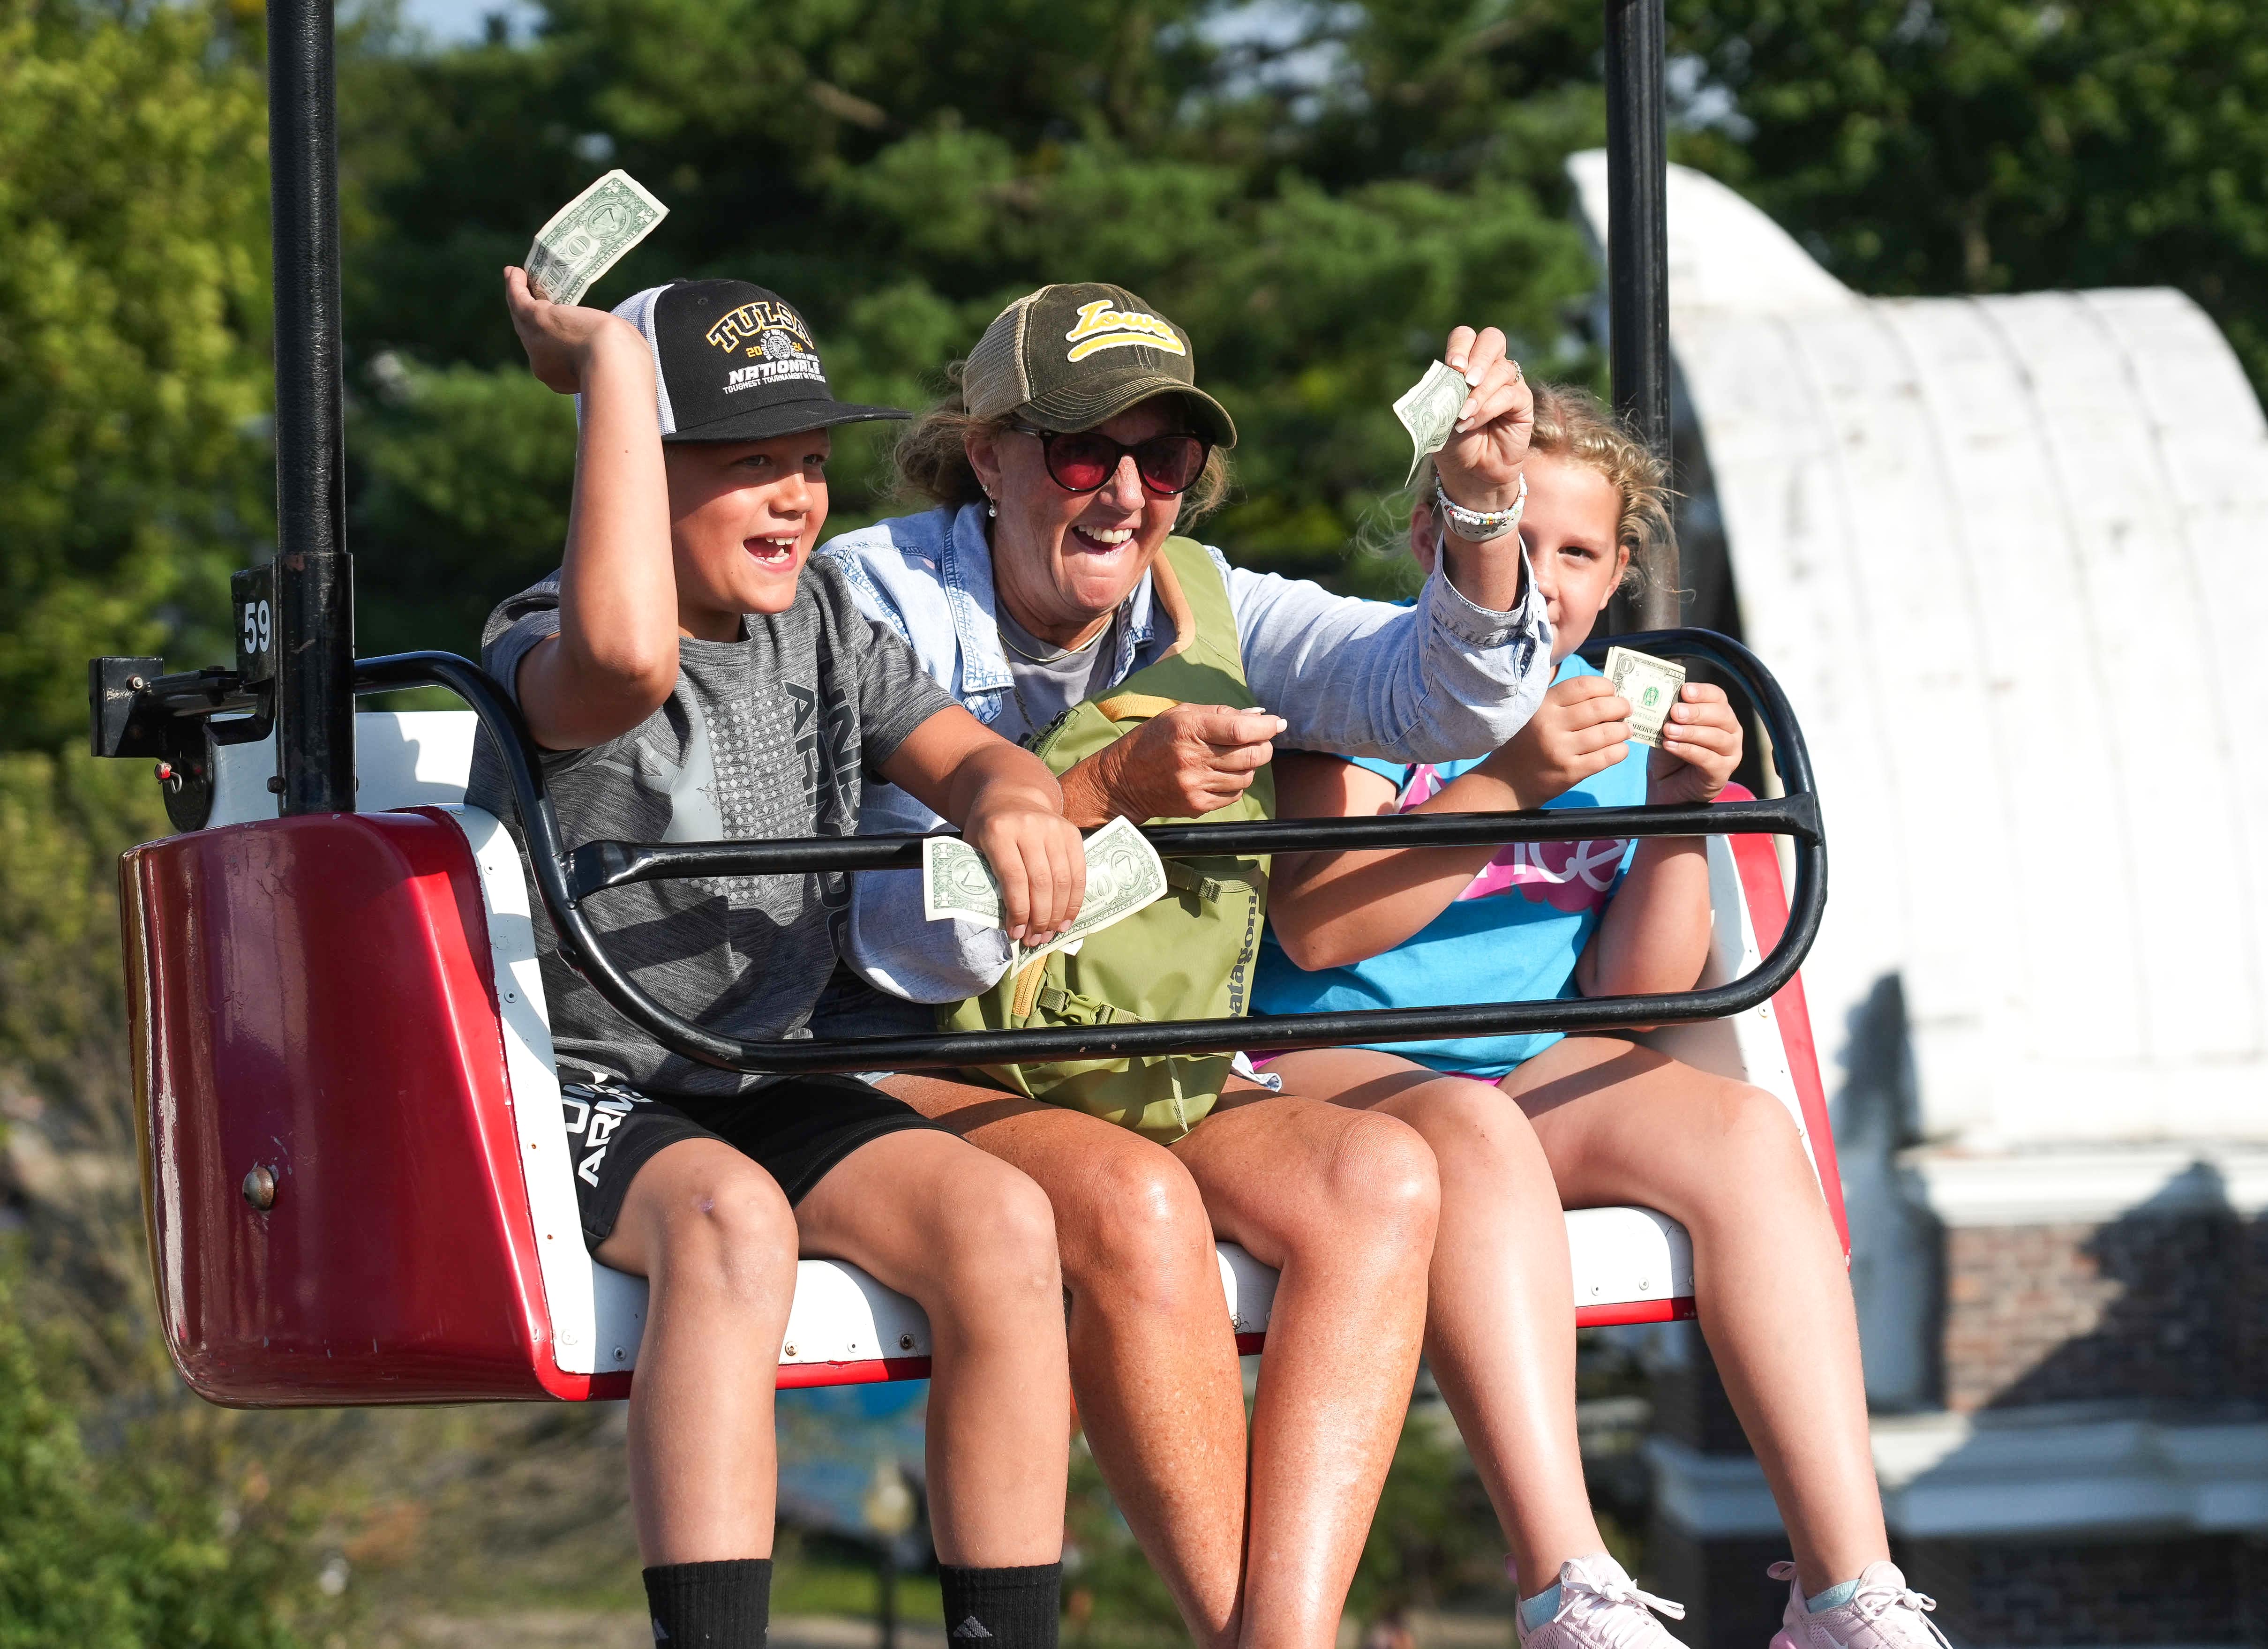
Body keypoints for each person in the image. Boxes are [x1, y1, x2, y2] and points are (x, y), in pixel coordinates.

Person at [812, 283, 1555, 1649]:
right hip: (907, 1072)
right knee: (1142, 1205)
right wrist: (1102, 788)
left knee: (1385, 1173)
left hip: (1147, 1072)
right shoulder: (869, 602)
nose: (1127, 495)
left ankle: (1283, 1636)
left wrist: (1486, 512)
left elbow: (1441, 699)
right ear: (988, 454)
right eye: (1088, 451)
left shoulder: (1211, 600)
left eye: (1168, 460)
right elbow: (898, 944)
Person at [1252, 385, 1945, 1649]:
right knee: (1471, 1131)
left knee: (1742, 1134)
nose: (1548, 582)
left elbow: (1643, 995)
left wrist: (1684, 803)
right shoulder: (1368, 693)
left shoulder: (1617, 718)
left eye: (1578, 554)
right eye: (1518, 545)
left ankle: (1849, 1591)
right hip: (1329, 1062)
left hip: (1521, 1067)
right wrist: (1511, 786)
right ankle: (1566, 1580)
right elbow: (1318, 929)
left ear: (1620, 573)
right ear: (1440, 544)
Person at [471, 269, 1085, 1649]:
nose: (799, 500)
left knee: (1002, 1225)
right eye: (751, 468)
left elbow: (967, 752)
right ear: (637, 472)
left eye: (808, 465)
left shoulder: (816, 627)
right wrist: (612, 379)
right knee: (728, 1222)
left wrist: (1011, 804)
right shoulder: (546, 642)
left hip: (760, 1067)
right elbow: (625, 663)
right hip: (589, 1083)